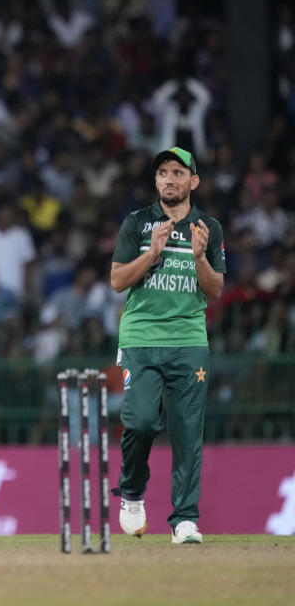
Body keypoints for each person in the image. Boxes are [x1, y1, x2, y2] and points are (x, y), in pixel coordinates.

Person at [109, 147, 225, 544]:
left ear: (194, 181)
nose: (169, 179)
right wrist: (153, 252)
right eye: (162, 172)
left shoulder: (208, 227)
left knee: (188, 432)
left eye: (178, 172)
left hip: (189, 341)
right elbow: (118, 280)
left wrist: (199, 259)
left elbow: (215, 290)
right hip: (141, 338)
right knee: (139, 422)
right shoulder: (137, 224)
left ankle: (185, 520)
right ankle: (132, 491)